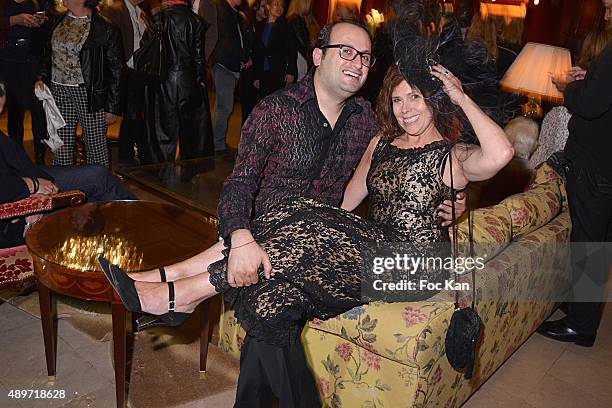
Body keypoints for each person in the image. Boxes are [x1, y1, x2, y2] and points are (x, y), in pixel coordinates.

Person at [99, 19, 508, 405]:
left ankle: (180, 293)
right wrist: (300, 234)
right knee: (270, 305)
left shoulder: (431, 149)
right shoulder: (358, 133)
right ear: (318, 57)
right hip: (326, 240)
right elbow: (340, 199)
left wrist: (456, 99)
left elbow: (500, 153)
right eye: (397, 99)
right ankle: (169, 283)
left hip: (410, 263)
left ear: (433, 99)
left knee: (305, 219)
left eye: (415, 97)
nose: (404, 108)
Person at [537, 0, 612, 347]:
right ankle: (581, 310)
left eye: (611, 6)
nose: (607, 14)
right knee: (596, 244)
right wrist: (589, 79)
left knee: (587, 244)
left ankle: (580, 325)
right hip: (605, 164)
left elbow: (591, 104)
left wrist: (571, 89)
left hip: (595, 165)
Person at [0, 79, 136, 249]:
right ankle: (141, 227)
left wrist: (33, 183)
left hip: (22, 179)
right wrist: (31, 188)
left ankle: (131, 232)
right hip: (14, 199)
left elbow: (15, 162)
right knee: (95, 186)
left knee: (96, 183)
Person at [34, 0, 123, 168]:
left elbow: (116, 69)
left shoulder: (105, 27)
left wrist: (113, 107)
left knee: (95, 143)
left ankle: (100, 186)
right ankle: (65, 185)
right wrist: (41, 77)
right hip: (58, 89)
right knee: (61, 142)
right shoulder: (58, 21)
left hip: (89, 92)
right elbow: (48, 53)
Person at [139, 0, 214, 163]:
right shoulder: (196, 21)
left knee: (163, 130)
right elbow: (199, 57)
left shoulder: (159, 18)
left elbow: (145, 47)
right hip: (188, 82)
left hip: (163, 82)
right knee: (190, 131)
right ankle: (189, 170)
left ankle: (162, 170)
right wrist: (200, 80)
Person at [0, 0, 48, 165]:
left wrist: (42, 20)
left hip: (32, 60)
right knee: (15, 110)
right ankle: (17, 157)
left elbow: (50, 21)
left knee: (38, 109)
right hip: (7, 60)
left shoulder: (36, 1)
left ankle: (41, 157)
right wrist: (14, 20)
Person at [101, 0, 149, 166]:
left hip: (139, 71)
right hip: (125, 70)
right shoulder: (115, 10)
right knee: (133, 114)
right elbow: (108, 43)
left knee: (134, 114)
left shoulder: (140, 12)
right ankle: (133, 155)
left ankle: (128, 153)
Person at [202, 0, 251, 153]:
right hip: (225, 63)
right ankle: (218, 145)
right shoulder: (221, 10)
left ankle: (218, 142)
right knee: (224, 106)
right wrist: (242, 58)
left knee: (223, 106)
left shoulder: (231, 11)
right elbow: (226, 40)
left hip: (229, 63)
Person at [252, 0, 296, 98]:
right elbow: (257, 52)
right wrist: (256, 76)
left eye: (282, 6)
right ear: (268, 6)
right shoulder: (260, 26)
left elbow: (292, 50)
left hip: (278, 72)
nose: (279, 8)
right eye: (276, 4)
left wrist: (291, 71)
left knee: (277, 101)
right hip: (263, 72)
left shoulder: (286, 27)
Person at [286, 0, 319, 80]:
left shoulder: (293, 18)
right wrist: (310, 44)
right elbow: (301, 41)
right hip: (299, 56)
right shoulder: (296, 19)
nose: (310, 5)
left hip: (298, 56)